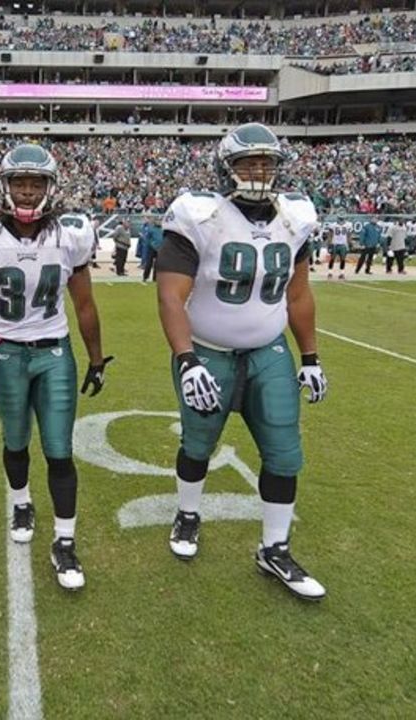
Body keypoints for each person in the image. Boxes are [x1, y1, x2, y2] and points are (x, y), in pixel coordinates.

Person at [155, 123, 328, 601]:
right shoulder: (200, 214)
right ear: (225, 167)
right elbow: (170, 295)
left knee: (284, 451)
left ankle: (275, 548)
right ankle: (188, 513)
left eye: (266, 162)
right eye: (248, 162)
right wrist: (187, 359)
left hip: (269, 352)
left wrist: (310, 355)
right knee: (198, 443)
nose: (258, 170)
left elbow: (298, 292)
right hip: (208, 350)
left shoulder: (294, 217)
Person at [0, 143, 112, 592]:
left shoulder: (71, 233)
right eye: (19, 183)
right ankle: (22, 503)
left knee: (59, 450)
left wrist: (96, 359)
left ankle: (65, 542)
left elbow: (84, 305)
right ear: (4, 186)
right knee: (16, 441)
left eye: (35, 183)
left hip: (54, 352)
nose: (26, 192)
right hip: (7, 354)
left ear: (50, 186)